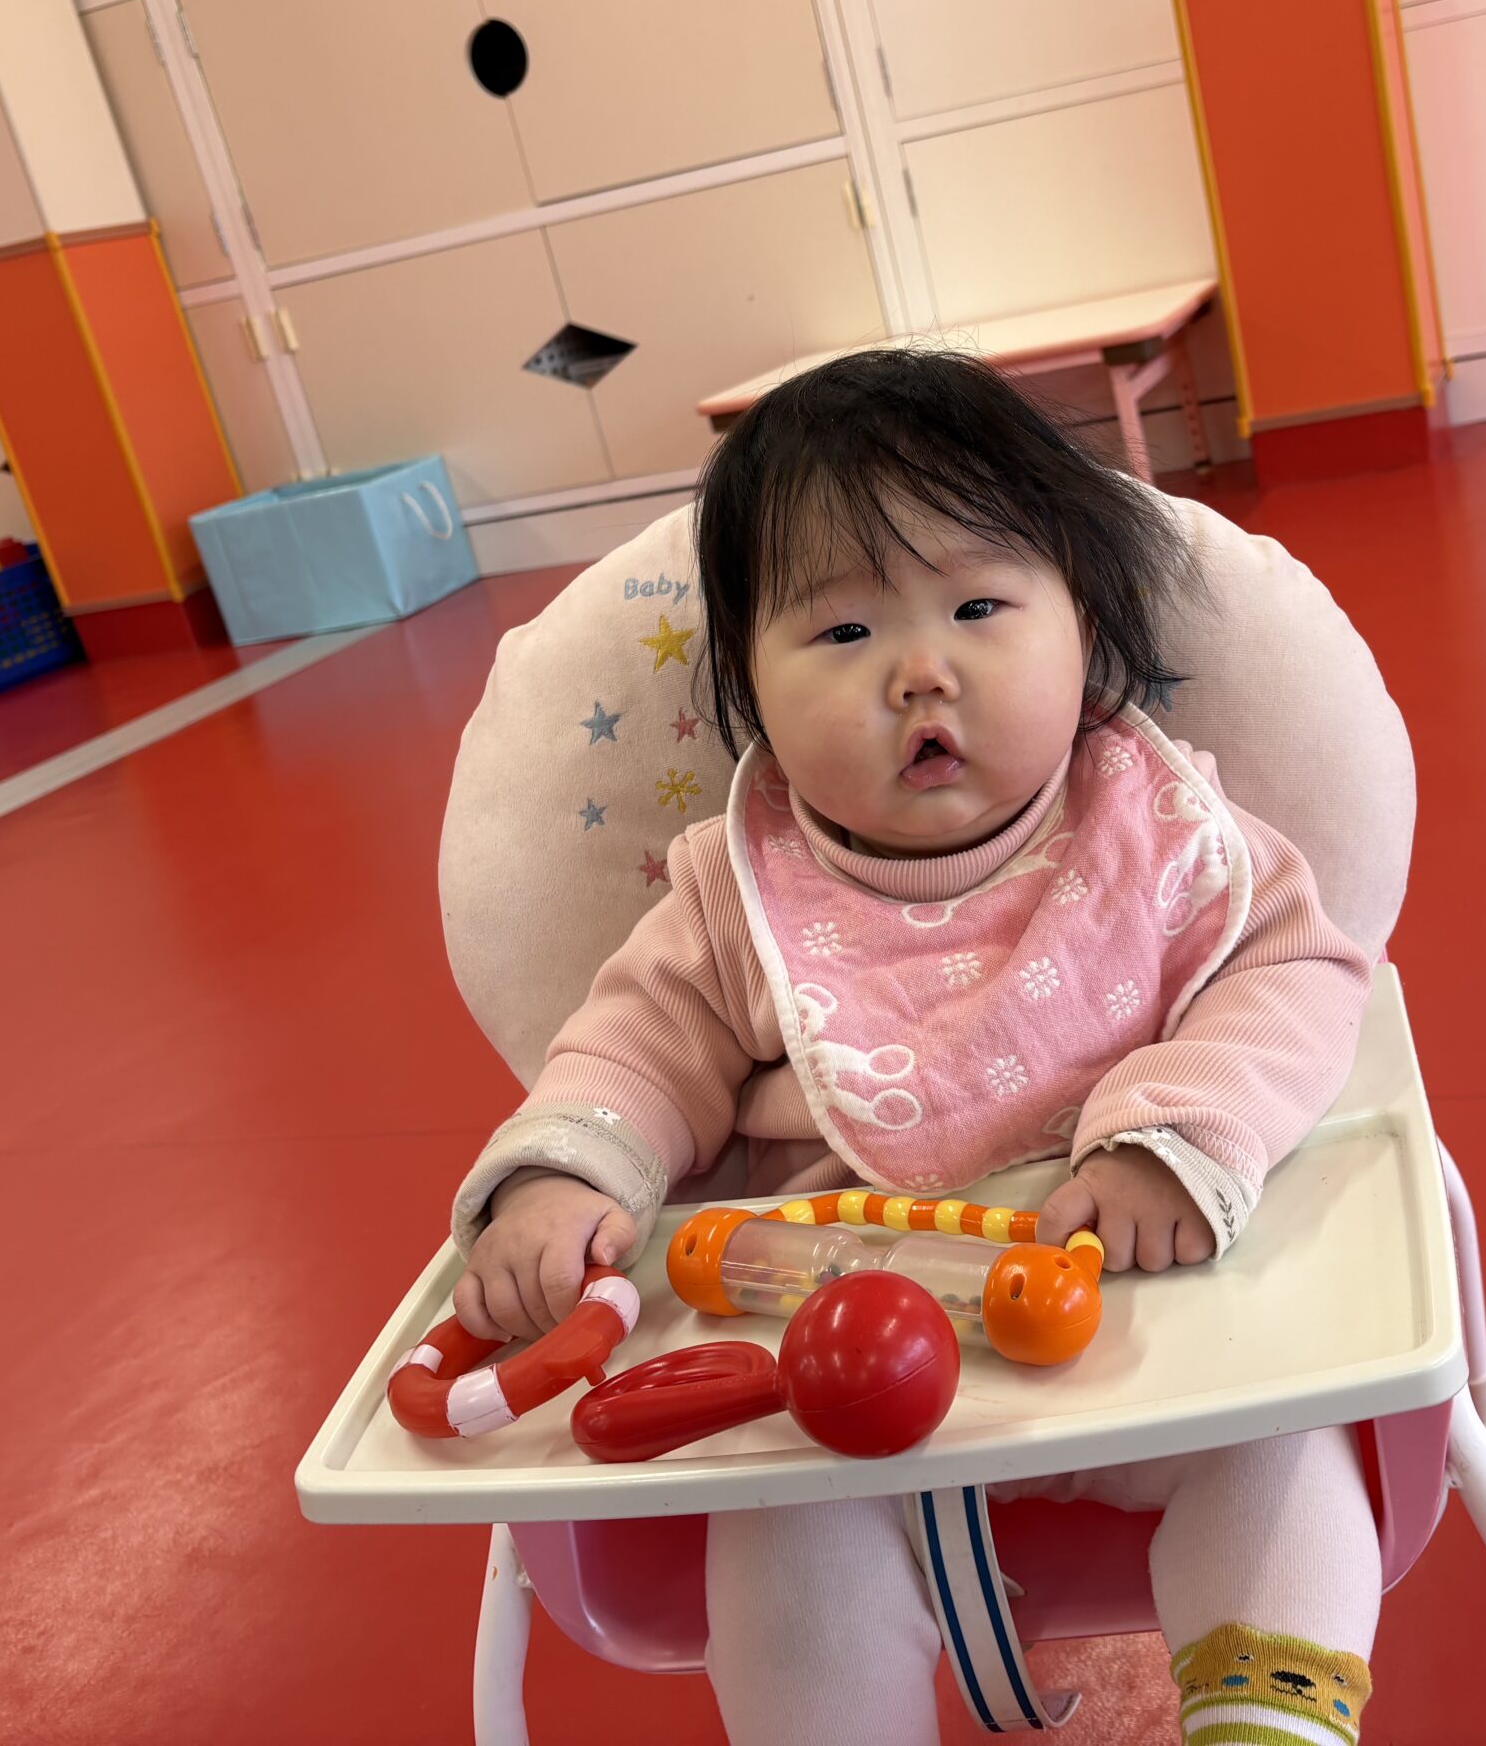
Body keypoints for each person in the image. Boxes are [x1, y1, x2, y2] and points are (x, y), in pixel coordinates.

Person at [447, 349, 1386, 1746]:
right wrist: (563, 1178)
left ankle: (1265, 1726)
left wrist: (1182, 1134)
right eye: (841, 632)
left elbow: (1295, 973)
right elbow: (634, 1049)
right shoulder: (737, 896)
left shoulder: (1158, 831)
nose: (920, 671)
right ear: (749, 688)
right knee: (779, 1540)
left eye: (980, 606)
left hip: (1153, 1333)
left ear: (1084, 624)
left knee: (1284, 1447)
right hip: (830, 1382)